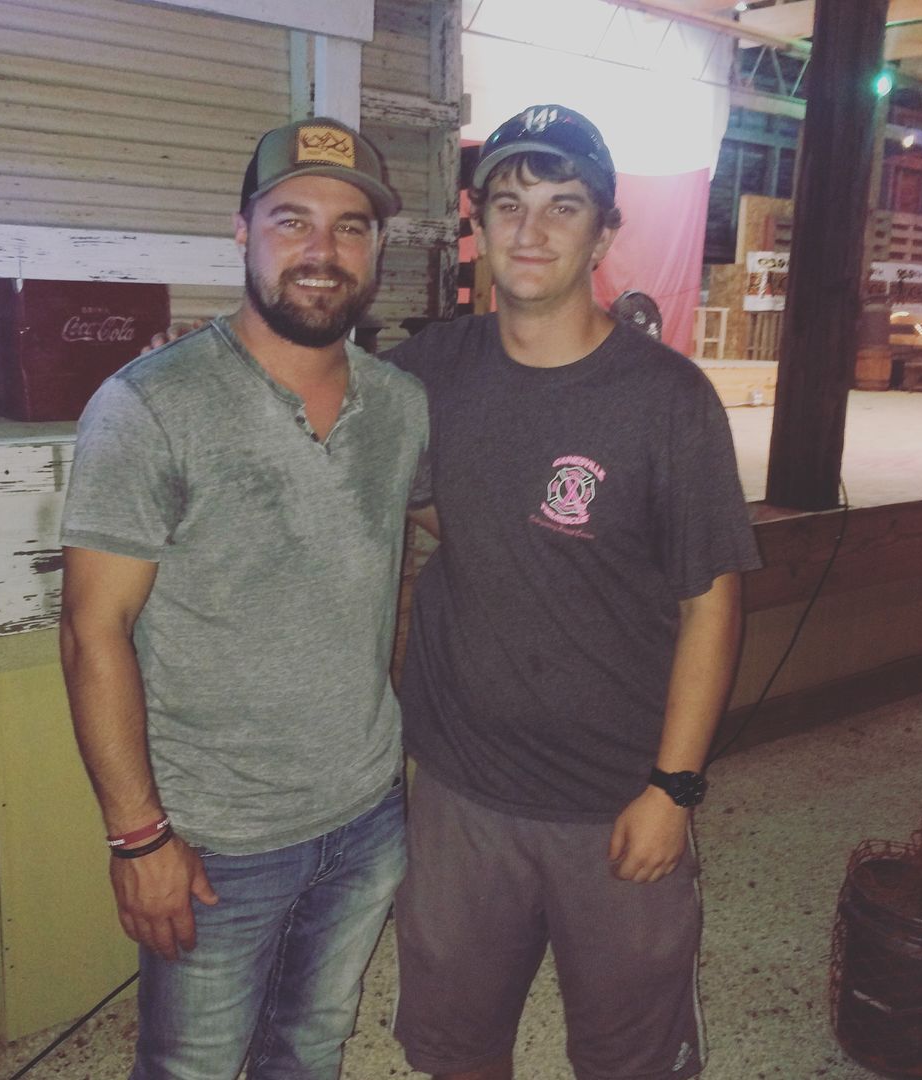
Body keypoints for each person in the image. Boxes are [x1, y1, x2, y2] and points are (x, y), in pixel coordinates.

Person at [386, 104, 762, 1080]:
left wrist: (673, 788)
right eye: (509, 204)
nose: (532, 229)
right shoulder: (427, 371)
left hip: (617, 798)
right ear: (477, 224)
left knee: (629, 1056)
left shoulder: (667, 399)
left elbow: (712, 604)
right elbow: (336, 428)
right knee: (455, 1049)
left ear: (603, 234)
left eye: (564, 205)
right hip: (461, 793)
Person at [58, 117, 430, 1080]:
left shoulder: (401, 406)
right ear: (242, 232)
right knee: (192, 1066)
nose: (321, 250)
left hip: (366, 815)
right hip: (214, 840)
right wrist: (138, 837)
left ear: (377, 248)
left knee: (312, 1045)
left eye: (351, 227)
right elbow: (94, 631)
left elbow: (422, 551)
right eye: (291, 219)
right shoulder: (150, 404)